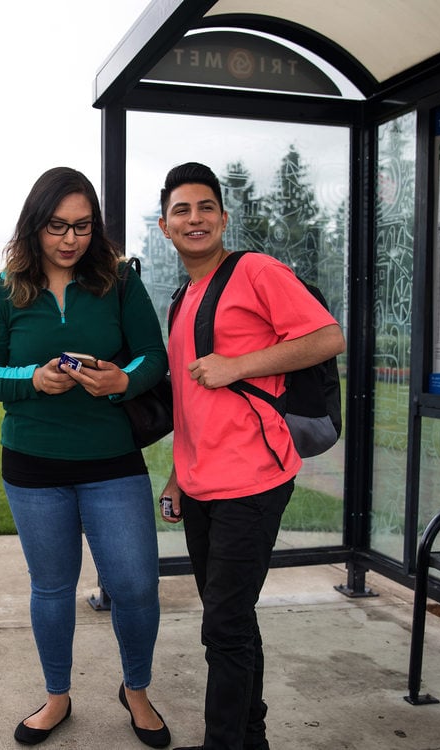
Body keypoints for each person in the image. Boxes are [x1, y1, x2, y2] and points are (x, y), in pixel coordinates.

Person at [0, 166, 172, 748]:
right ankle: (57, 697)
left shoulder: (119, 283)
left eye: (82, 226)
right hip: (33, 466)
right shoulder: (3, 291)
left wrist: (118, 382)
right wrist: (33, 378)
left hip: (112, 462)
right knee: (52, 588)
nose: (70, 239)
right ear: (35, 226)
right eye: (57, 225)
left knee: (135, 585)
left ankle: (135, 691)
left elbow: (152, 357)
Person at [157, 162, 346, 750]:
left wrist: (238, 365)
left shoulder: (255, 271)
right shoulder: (182, 298)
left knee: (223, 625)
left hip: (255, 480)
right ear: (165, 227)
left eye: (206, 207)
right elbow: (191, 403)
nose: (195, 219)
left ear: (223, 216)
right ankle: (251, 737)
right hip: (203, 485)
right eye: (182, 210)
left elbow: (327, 336)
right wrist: (176, 478)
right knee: (233, 621)